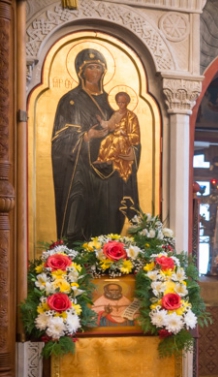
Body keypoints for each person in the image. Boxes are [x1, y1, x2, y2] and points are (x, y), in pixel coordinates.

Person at [51, 48, 140, 243]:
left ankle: (109, 252)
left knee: (110, 217)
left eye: (99, 67)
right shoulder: (71, 101)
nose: (96, 71)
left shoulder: (113, 103)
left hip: (112, 175)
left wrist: (131, 151)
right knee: (79, 212)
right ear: (81, 71)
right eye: (91, 67)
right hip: (82, 172)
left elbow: (131, 137)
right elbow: (59, 140)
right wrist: (86, 136)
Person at [94, 92, 140, 182]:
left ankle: (110, 159)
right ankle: (102, 159)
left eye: (123, 102)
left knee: (117, 140)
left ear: (127, 102)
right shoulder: (115, 114)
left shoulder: (131, 116)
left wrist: (126, 135)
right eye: (119, 102)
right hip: (115, 135)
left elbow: (136, 135)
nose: (120, 104)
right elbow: (109, 124)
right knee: (105, 141)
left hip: (125, 139)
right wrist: (101, 121)